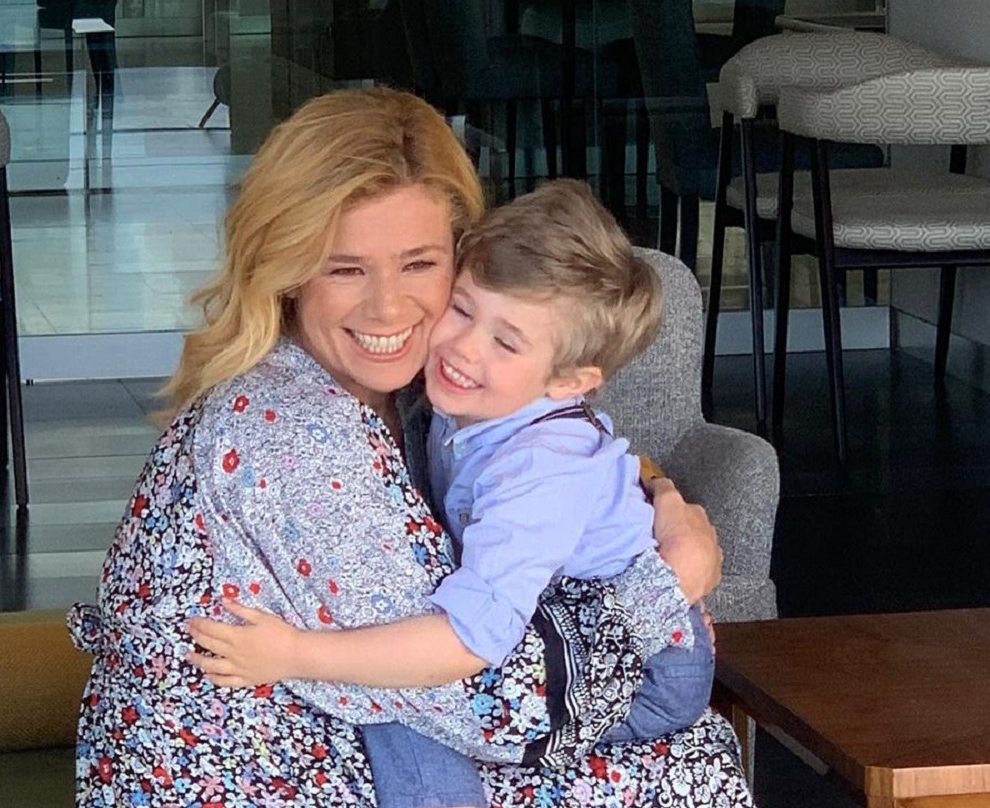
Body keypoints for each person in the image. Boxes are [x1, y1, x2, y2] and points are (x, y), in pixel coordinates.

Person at [69, 86, 747, 807]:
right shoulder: (292, 431)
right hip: (254, 770)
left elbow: (569, 453)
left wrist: (660, 503)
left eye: (419, 264)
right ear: (287, 272)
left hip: (354, 726)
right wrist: (668, 584)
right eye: (346, 268)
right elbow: (490, 698)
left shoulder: (427, 394)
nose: (388, 307)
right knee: (685, 762)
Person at [189, 178, 715, 808]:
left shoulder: (538, 474)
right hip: (565, 614)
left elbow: (469, 641)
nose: (462, 348)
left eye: (506, 341)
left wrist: (296, 653)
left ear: (570, 382)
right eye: (463, 309)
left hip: (651, 671)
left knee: (407, 703)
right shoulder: (474, 399)